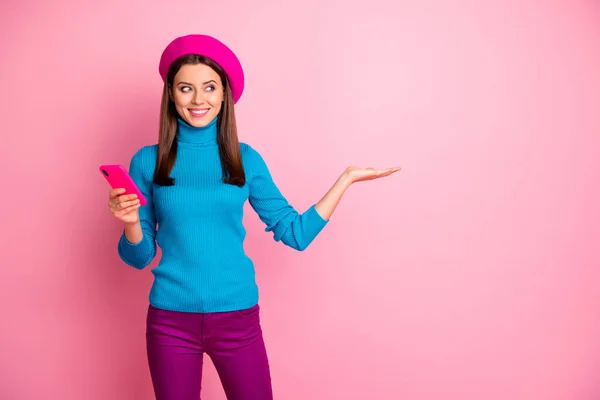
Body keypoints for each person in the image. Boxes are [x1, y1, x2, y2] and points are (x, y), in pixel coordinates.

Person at [107, 34, 400, 400]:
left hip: (237, 319)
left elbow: (296, 234)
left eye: (210, 87)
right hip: (170, 321)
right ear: (170, 93)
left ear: (224, 94)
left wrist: (346, 180)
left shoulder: (245, 159)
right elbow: (139, 257)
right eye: (186, 88)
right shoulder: (147, 161)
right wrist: (132, 222)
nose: (199, 100)